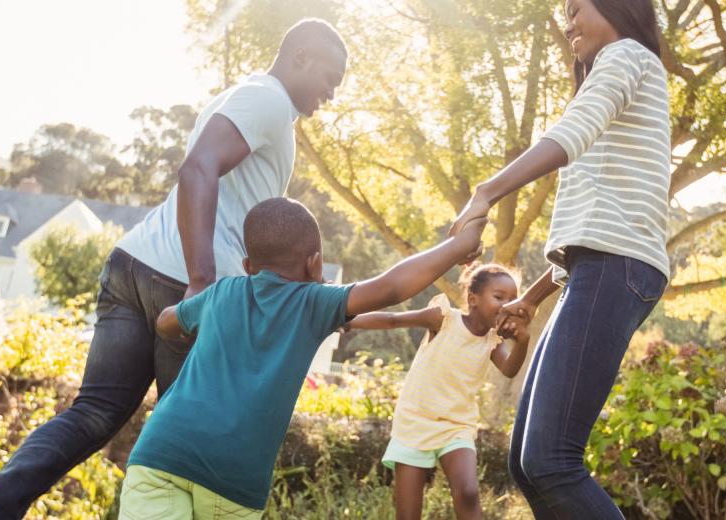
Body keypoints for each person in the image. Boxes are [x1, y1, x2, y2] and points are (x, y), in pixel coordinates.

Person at [0, 19, 348, 519]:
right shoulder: (268, 99)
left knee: (96, 412)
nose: (331, 93)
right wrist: (201, 281)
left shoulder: (250, 98)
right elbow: (197, 167)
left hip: (135, 265)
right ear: (299, 59)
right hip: (183, 284)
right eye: (329, 77)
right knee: (184, 449)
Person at [119, 198, 487, 519]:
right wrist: (460, 245)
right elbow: (391, 286)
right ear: (315, 265)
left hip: (161, 454)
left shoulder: (222, 292)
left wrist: (183, 323)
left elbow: (168, 320)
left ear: (248, 265)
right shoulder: (313, 303)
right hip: (231, 480)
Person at [445, 0, 672, 516]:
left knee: (552, 460)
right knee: (528, 464)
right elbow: (595, 227)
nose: (567, 22)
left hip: (616, 269)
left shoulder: (626, 55)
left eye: (575, 8)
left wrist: (487, 192)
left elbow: (570, 135)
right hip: (599, 269)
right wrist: (532, 296)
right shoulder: (627, 68)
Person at [344, 264, 532, 520]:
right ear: (472, 299)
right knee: (408, 514)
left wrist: (523, 342)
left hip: (456, 425)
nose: (506, 305)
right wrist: (345, 321)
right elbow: (393, 320)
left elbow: (510, 369)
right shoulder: (442, 318)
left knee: (468, 492)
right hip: (415, 421)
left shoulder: (492, 341)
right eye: (499, 297)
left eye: (512, 299)